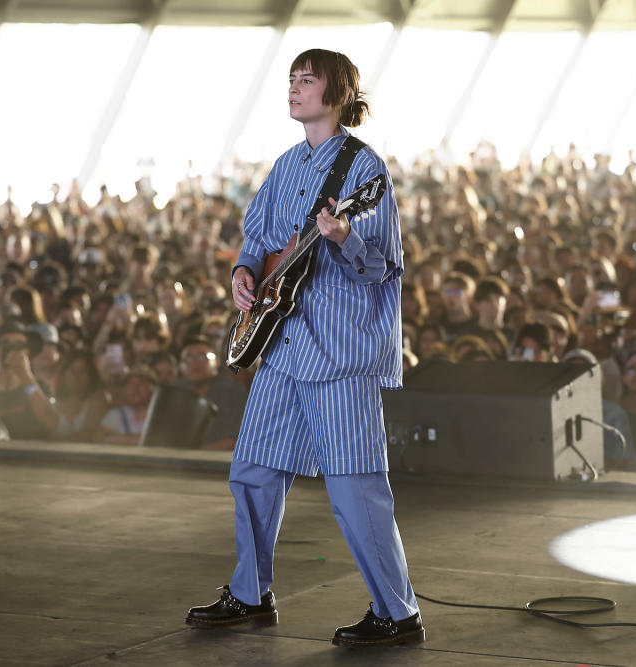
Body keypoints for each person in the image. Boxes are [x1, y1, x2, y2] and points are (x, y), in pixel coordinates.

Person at [185, 49, 423, 648]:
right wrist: (244, 272)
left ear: (337, 91)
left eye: (307, 79)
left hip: (340, 353)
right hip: (284, 347)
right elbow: (260, 237)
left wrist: (342, 236)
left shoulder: (365, 171)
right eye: (291, 79)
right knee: (253, 471)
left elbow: (383, 268)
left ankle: (398, 612)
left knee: (355, 485)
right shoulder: (287, 164)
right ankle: (249, 593)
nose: (294, 88)